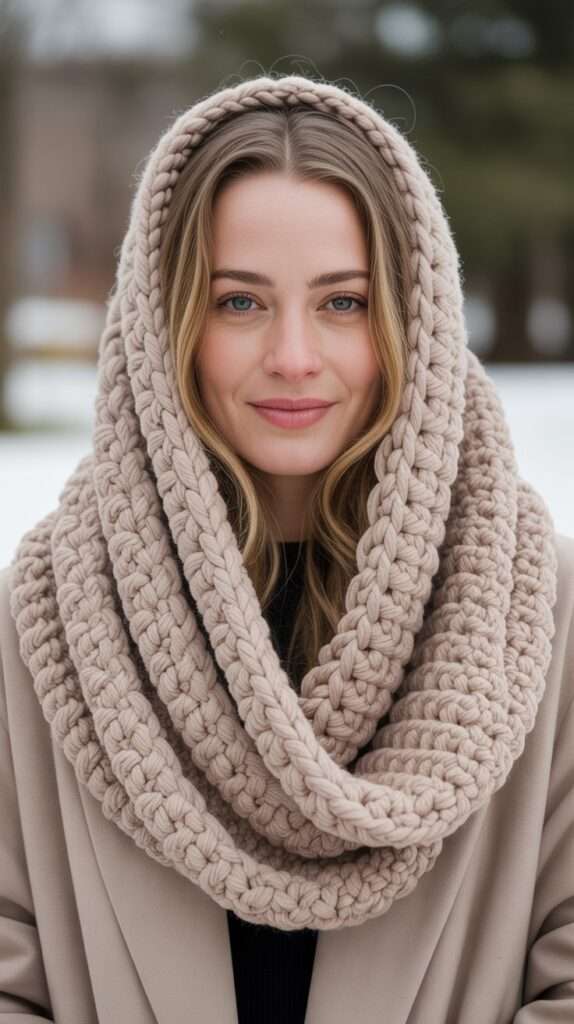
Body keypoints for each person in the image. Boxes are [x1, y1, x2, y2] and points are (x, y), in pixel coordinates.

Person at [0, 73, 573, 1024]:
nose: (295, 356)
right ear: (166, 322)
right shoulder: (52, 616)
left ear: (410, 319)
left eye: (343, 303)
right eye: (239, 303)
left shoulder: (540, 611)